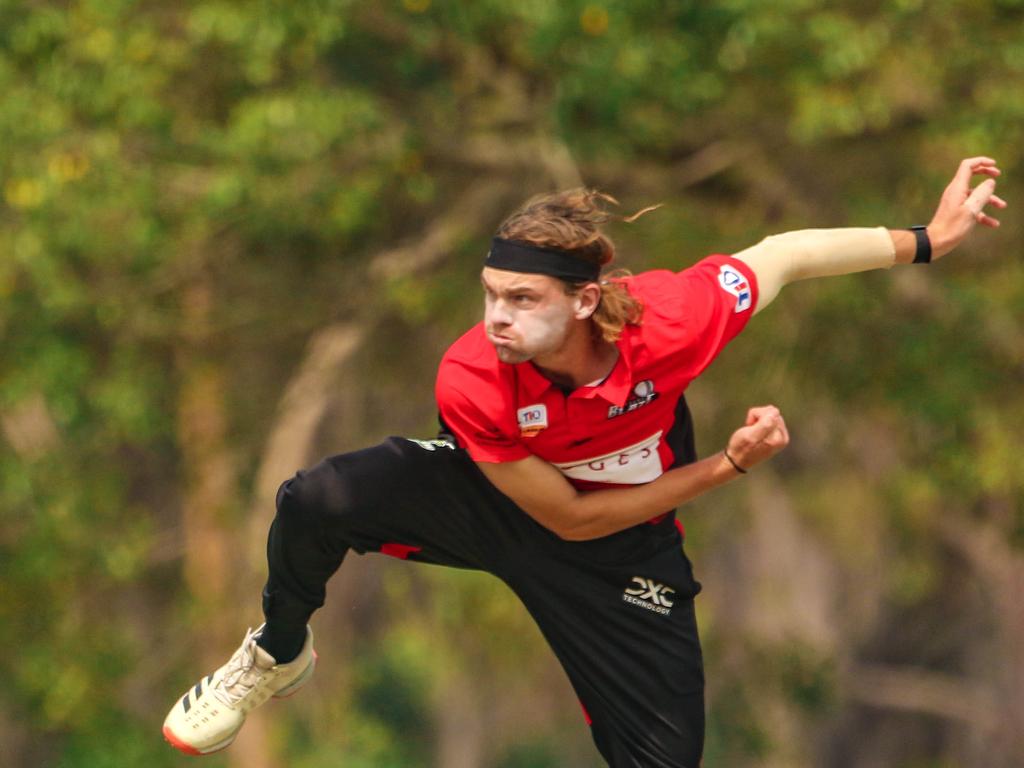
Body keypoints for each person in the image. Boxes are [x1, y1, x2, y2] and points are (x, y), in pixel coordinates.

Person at [162, 157, 1004, 767]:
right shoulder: (471, 375)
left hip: (621, 552)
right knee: (317, 497)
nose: (496, 316)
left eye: (521, 299)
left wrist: (928, 239)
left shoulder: (671, 322)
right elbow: (562, 513)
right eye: (490, 293)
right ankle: (276, 653)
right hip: (503, 504)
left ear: (585, 300)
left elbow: (781, 255)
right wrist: (728, 466)